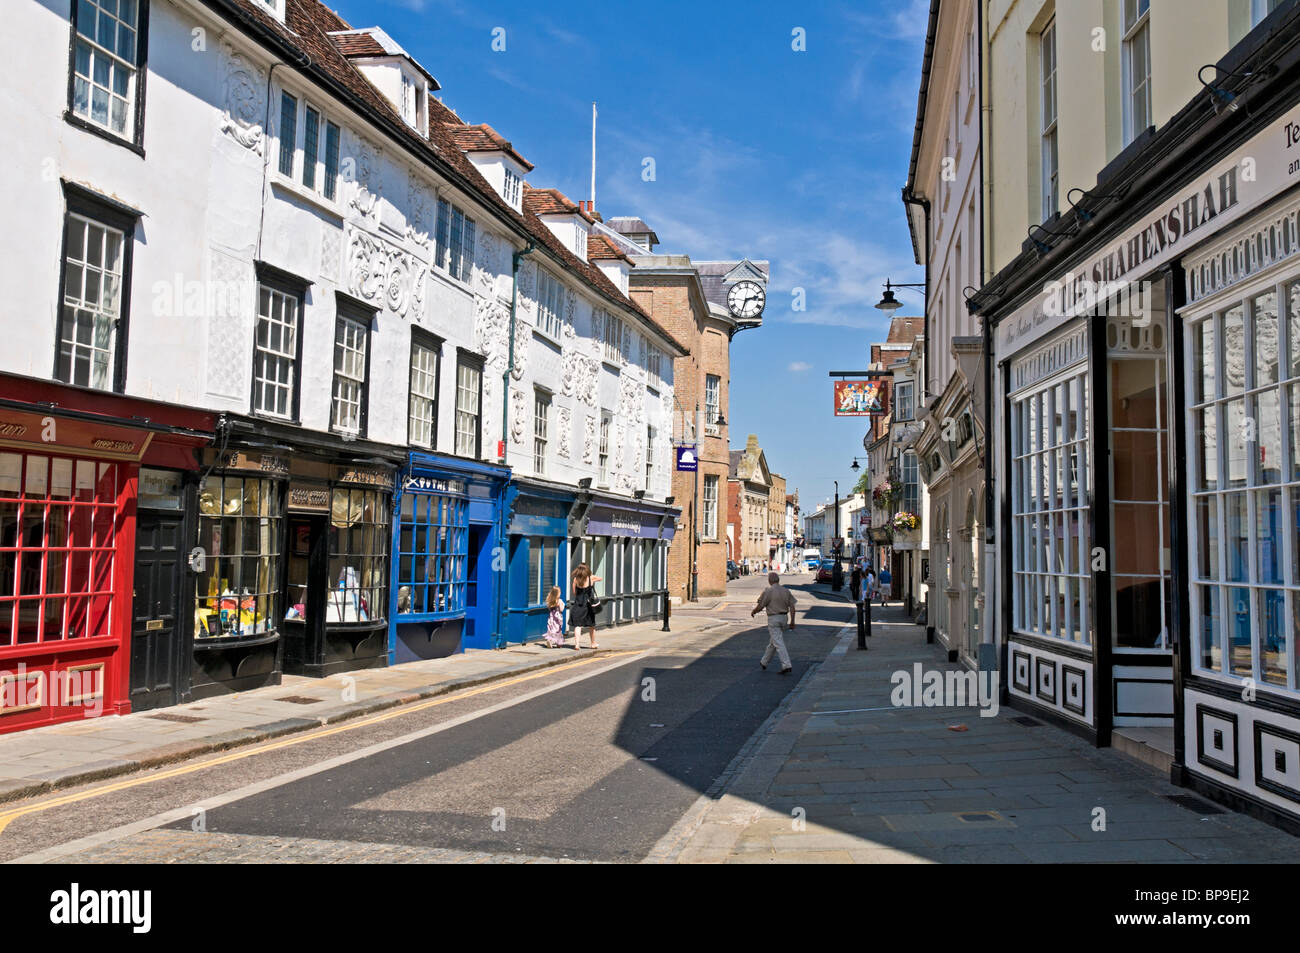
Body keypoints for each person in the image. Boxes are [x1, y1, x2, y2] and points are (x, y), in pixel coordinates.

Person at [750, 571, 796, 674]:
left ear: (769, 581)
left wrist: (754, 611)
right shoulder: (786, 591)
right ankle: (764, 662)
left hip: (773, 618)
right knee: (774, 641)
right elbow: (792, 608)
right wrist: (792, 621)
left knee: (778, 642)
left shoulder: (768, 591)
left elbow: (761, 605)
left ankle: (786, 665)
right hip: (784, 618)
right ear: (778, 580)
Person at [569, 563, 602, 650]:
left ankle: (577, 644)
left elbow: (574, 593)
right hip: (589, 606)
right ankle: (593, 643)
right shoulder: (590, 578)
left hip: (578, 604)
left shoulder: (576, 579)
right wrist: (592, 577)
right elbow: (600, 578)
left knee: (577, 625)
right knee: (591, 625)